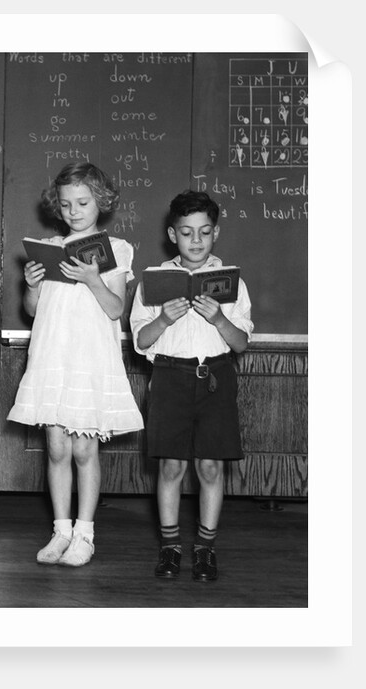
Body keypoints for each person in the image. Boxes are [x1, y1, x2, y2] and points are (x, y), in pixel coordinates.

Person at [7, 162, 144, 567]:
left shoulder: (116, 250)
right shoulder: (50, 246)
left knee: (85, 449)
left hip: (89, 360)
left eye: (82, 202)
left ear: (100, 201)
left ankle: (85, 533)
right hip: (53, 357)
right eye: (66, 204)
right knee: (56, 448)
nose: (74, 211)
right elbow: (33, 311)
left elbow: (116, 308)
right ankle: (61, 530)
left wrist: (92, 278)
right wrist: (31, 286)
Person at [129, 190, 253, 582]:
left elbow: (241, 342)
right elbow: (141, 341)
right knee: (170, 467)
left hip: (215, 378)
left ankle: (205, 548)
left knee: (211, 467)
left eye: (203, 232)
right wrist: (164, 319)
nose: (195, 241)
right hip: (169, 377)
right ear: (172, 234)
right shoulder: (155, 281)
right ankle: (170, 547)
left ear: (215, 233)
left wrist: (219, 319)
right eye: (186, 233)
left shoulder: (232, 283)